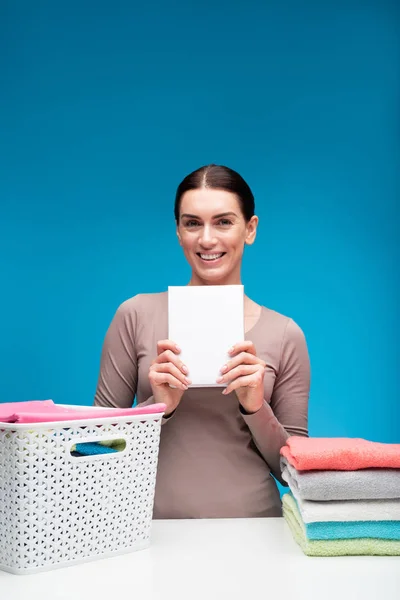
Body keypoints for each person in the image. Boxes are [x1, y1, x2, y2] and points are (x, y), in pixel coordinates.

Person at [94, 164, 310, 519]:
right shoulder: (134, 315)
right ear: (178, 232)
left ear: (250, 229)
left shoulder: (284, 334)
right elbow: (96, 447)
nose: (207, 239)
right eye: (192, 223)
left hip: (256, 534)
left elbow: (294, 472)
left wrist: (256, 408)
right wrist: (157, 408)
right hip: (146, 530)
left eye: (223, 222)